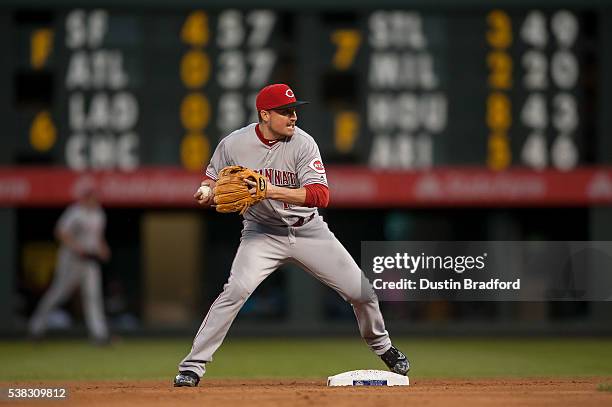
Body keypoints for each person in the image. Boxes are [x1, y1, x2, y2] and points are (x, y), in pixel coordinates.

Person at [173, 84, 409, 387]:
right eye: (285, 111)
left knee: (361, 293)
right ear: (265, 115)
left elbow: (321, 195)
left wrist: (269, 189)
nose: (293, 116)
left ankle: (383, 348)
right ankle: (191, 368)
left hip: (308, 230)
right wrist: (206, 191)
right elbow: (212, 178)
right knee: (235, 292)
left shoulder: (303, 143)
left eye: (294, 110)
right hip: (261, 233)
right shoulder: (234, 144)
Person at [28, 179, 111, 345]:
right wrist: (76, 247)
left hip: (90, 260)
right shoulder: (75, 212)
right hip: (71, 259)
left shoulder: (99, 214)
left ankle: (100, 334)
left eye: (96, 195)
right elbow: (61, 232)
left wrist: (103, 248)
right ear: (85, 196)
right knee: (59, 293)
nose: (95, 198)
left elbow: (97, 237)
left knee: (93, 296)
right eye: (92, 195)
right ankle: (36, 328)